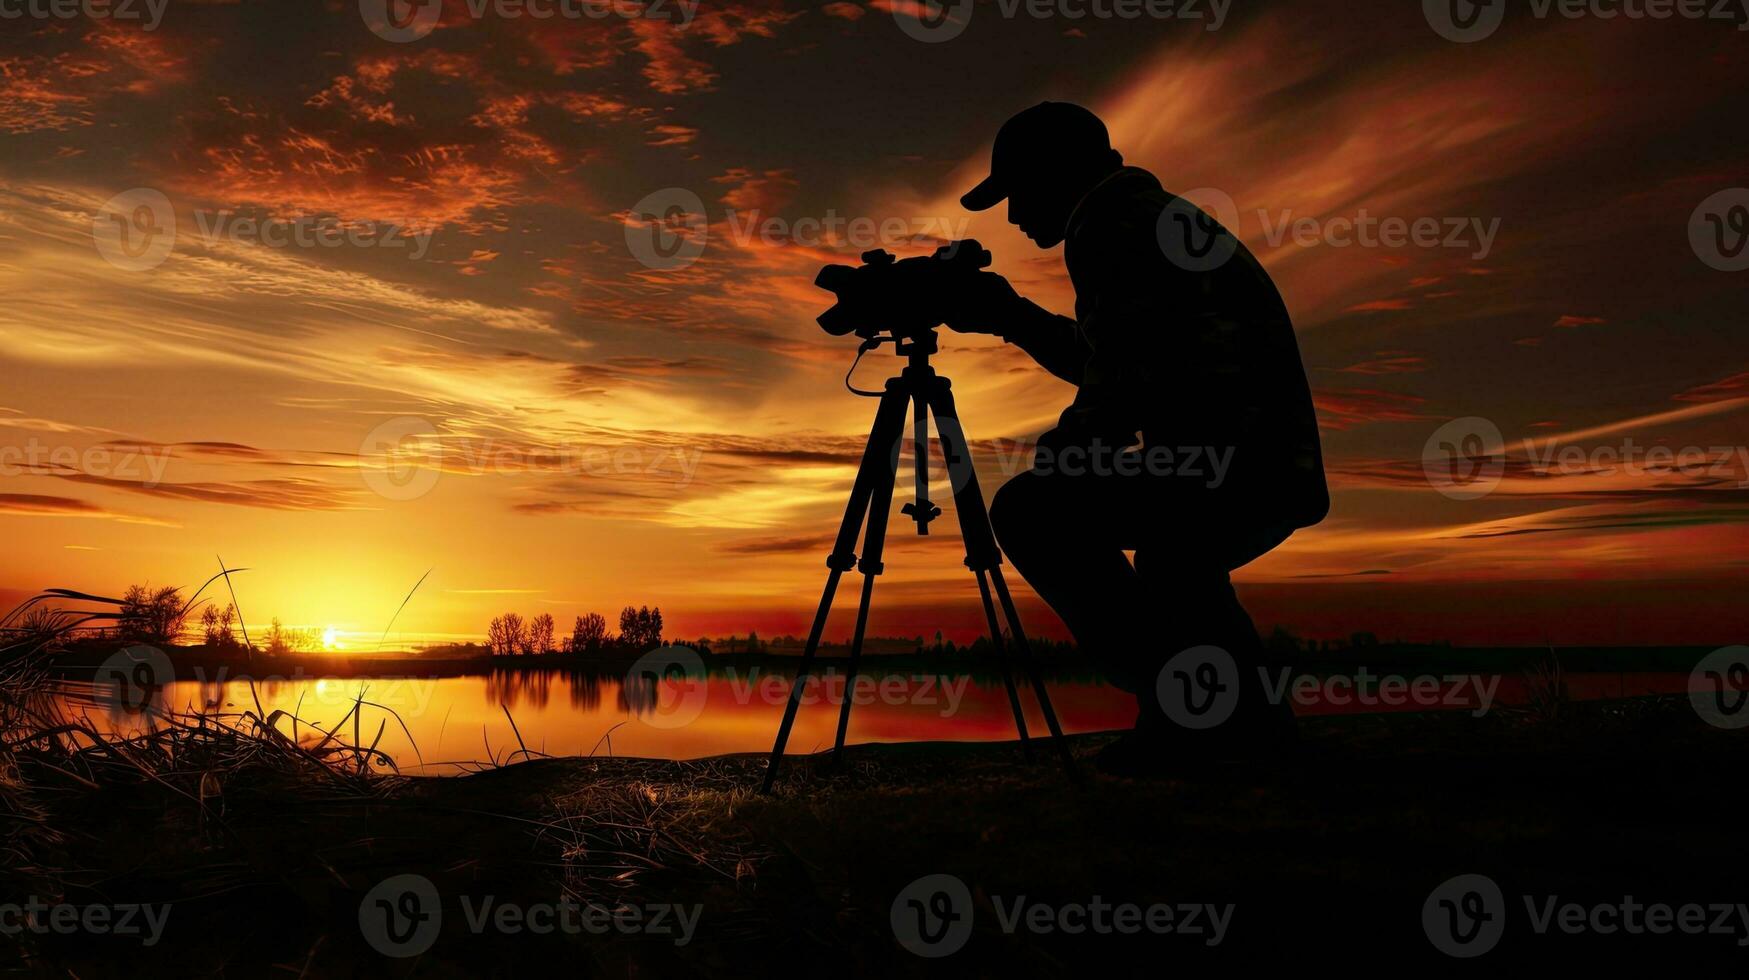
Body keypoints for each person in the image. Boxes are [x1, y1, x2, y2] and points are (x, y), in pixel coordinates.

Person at [941, 102, 1328, 771]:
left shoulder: (1109, 226)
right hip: (1255, 465)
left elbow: (1125, 378)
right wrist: (1011, 316)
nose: (1010, 216)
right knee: (1178, 565)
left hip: (1232, 469)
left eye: (1017, 193)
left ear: (1058, 173)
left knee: (1033, 510)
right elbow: (1125, 356)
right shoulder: (1147, 218)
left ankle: (1190, 708)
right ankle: (1242, 727)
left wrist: (1069, 450)